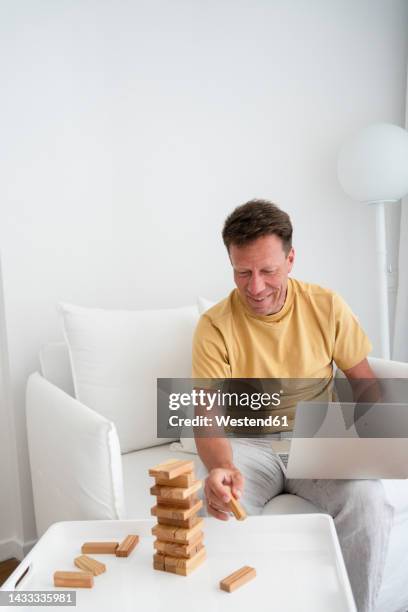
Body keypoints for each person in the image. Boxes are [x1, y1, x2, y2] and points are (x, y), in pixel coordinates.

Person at [192, 199, 393, 612]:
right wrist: (221, 468)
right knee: (216, 511)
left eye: (268, 271)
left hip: (315, 437)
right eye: (242, 272)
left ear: (291, 259)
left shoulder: (325, 306)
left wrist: (363, 442)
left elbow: (365, 384)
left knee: (368, 501)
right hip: (244, 444)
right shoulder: (214, 326)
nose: (255, 287)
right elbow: (206, 414)